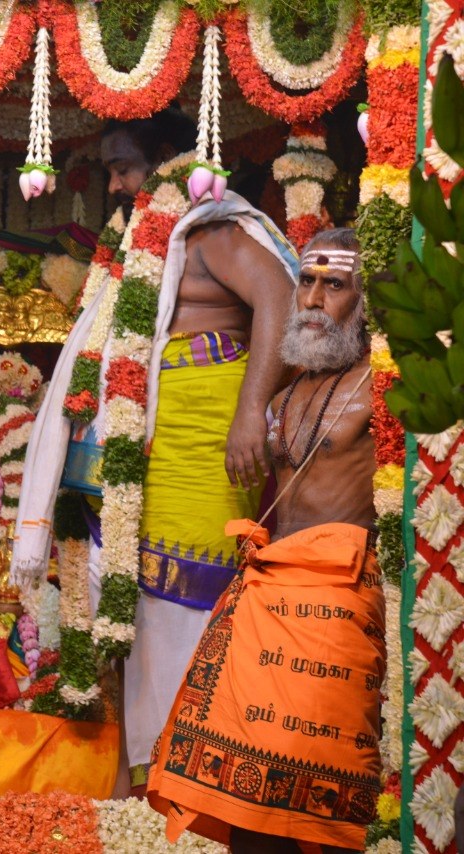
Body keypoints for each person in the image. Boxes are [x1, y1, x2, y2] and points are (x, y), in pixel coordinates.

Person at [11, 109, 299, 794]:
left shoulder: (211, 229)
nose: (113, 184)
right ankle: (152, 781)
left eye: (123, 167)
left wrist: (251, 414)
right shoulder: (144, 245)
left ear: (169, 158)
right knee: (139, 605)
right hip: (151, 454)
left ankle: (194, 778)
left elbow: (282, 300)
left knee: (189, 599)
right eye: (111, 170)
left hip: (208, 450)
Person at [148, 229, 384, 853]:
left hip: (337, 600)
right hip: (265, 592)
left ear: (363, 300)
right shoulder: (287, 391)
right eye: (305, 281)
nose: (311, 298)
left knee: (318, 794)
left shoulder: (382, 389)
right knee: (237, 796)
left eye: (333, 285)